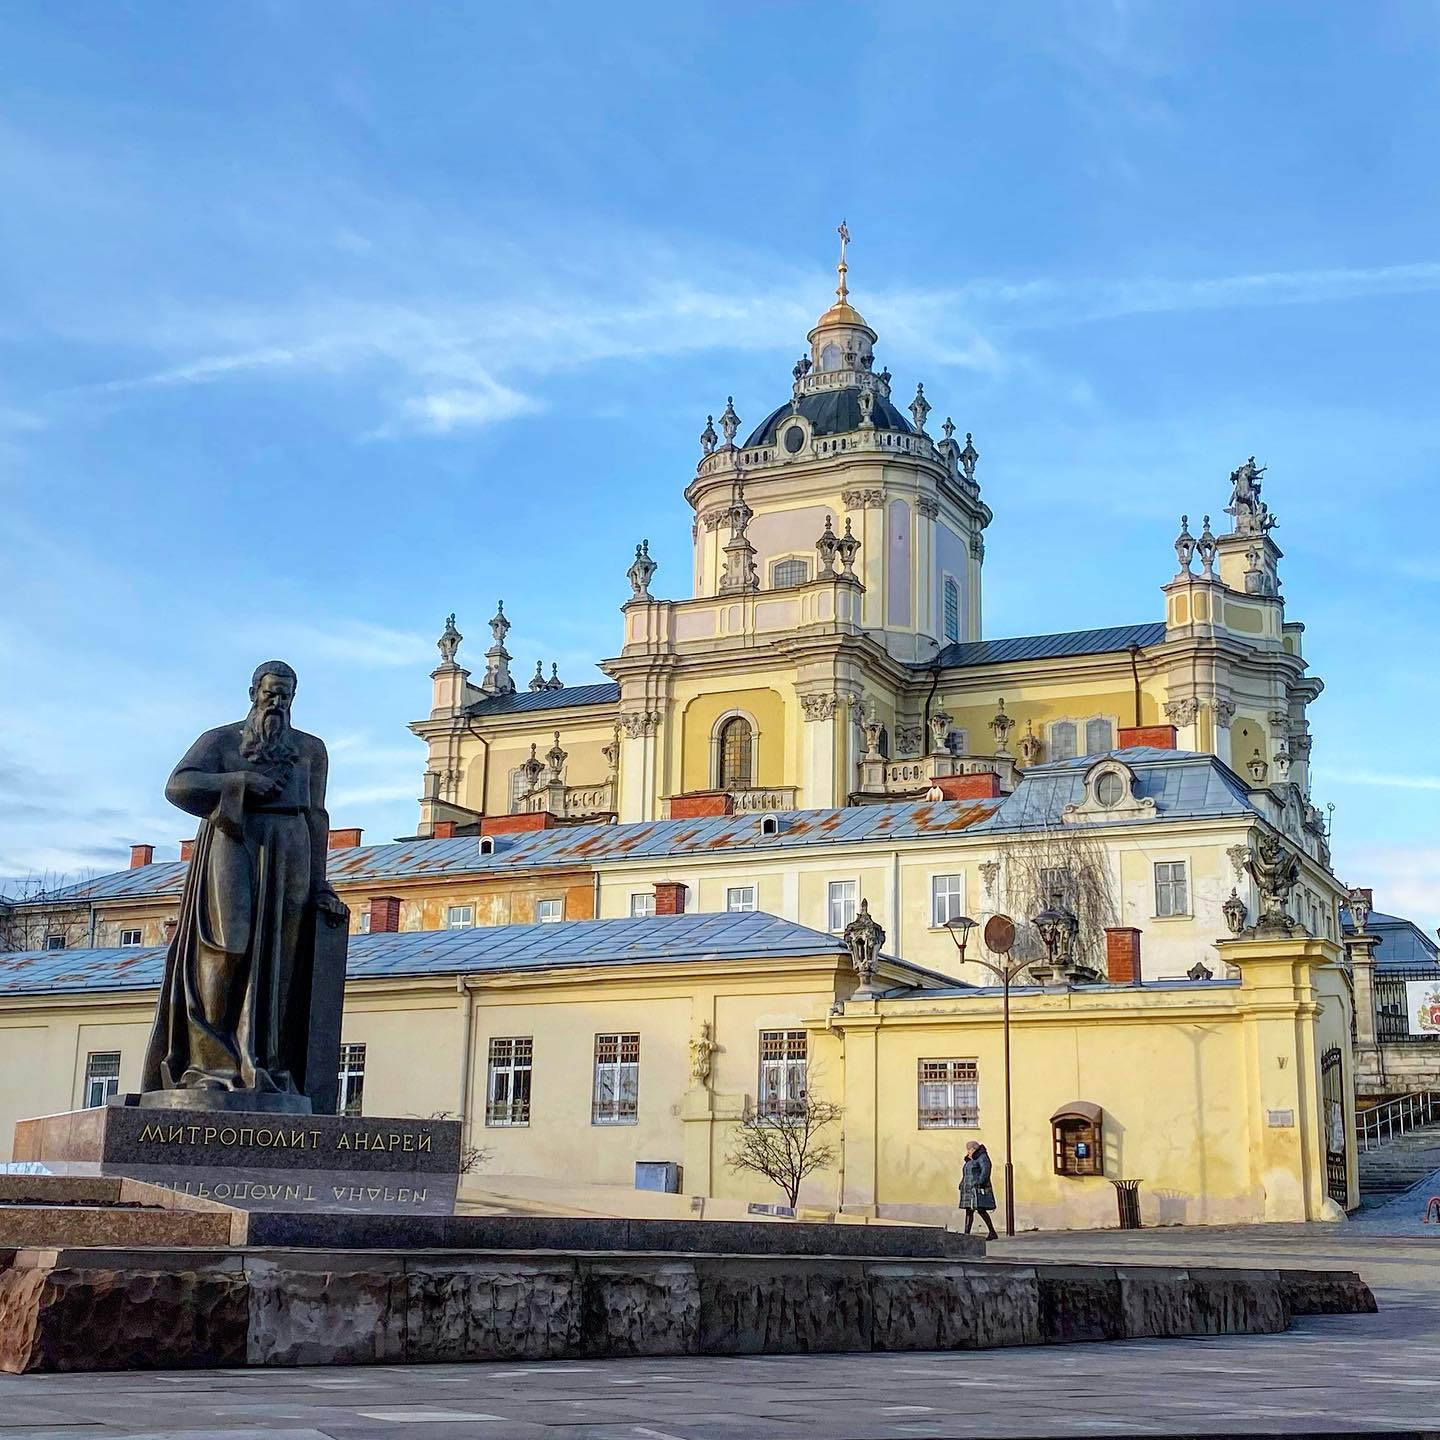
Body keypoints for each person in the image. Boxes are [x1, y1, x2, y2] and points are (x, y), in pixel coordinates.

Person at [959, 1139, 998, 1239]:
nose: (967, 1152)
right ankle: (966, 1234)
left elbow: (986, 1170)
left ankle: (992, 1231)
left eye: (969, 1150)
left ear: (973, 1149)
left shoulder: (982, 1157)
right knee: (969, 1210)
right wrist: (962, 1183)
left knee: (981, 1210)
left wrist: (980, 1182)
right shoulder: (970, 1160)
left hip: (977, 1188)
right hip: (968, 1189)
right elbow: (966, 1174)